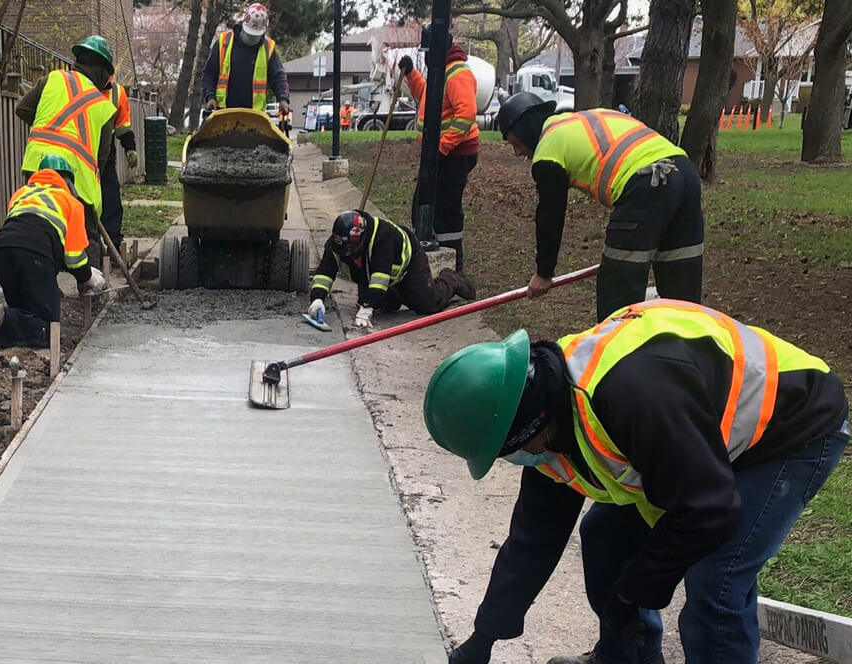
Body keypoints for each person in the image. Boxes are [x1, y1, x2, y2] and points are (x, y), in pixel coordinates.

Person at [424, 298, 849, 664]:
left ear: (527, 422)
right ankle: (626, 657)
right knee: (603, 535)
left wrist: (633, 593)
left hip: (791, 425)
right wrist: (484, 638)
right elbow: (532, 542)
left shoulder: (629, 397)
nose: (512, 459)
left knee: (717, 577)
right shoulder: (547, 414)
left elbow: (709, 510)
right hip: (699, 436)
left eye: (506, 448)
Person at [497, 92, 704, 323]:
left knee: (618, 290)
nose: (517, 152)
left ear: (528, 127)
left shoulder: (549, 147)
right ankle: (689, 349)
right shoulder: (577, 121)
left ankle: (618, 353)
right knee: (682, 289)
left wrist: (544, 273)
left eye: (516, 143)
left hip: (647, 183)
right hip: (685, 173)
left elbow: (550, 215)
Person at [0, 156, 106, 348]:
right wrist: (88, 276)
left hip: (1, 251)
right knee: (48, 329)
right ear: (69, 182)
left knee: (24, 310)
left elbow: (21, 229)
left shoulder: (21, 193)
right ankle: (1, 318)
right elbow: (74, 257)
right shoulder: (71, 202)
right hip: (34, 254)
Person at [16, 35, 117, 266]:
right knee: (84, 235)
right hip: (78, 181)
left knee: (40, 224)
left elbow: (23, 109)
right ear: (102, 71)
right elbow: (100, 159)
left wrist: (49, 127)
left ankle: (42, 283)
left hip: (38, 166)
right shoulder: (103, 107)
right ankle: (91, 292)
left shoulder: (51, 80)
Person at [308, 210, 476, 330]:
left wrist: (367, 309)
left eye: (351, 249)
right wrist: (317, 299)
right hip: (373, 275)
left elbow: (379, 278)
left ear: (361, 240)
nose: (347, 254)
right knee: (379, 305)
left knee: (427, 304)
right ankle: (394, 296)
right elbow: (324, 273)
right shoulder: (337, 243)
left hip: (409, 266)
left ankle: (451, 279)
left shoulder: (382, 237)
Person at [399, 24, 479, 271]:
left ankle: (452, 264)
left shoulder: (457, 74)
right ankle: (426, 256)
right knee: (423, 205)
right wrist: (412, 74)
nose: (424, 56)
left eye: (427, 51)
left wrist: (441, 149)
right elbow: (428, 96)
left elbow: (465, 117)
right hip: (441, 154)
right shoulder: (440, 72)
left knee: (446, 209)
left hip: (455, 155)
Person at [201, 3, 290, 116]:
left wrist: (283, 99)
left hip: (254, 116)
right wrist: (210, 97)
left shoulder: (268, 49)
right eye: (249, 35)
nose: (252, 39)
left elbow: (278, 77)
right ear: (243, 25)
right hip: (223, 113)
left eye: (255, 36)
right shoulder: (224, 42)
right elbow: (209, 73)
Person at [100, 78, 139, 252]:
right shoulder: (77, 85)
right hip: (79, 155)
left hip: (105, 155)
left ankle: (112, 246)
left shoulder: (116, 92)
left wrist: (130, 148)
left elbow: (122, 124)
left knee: (111, 201)